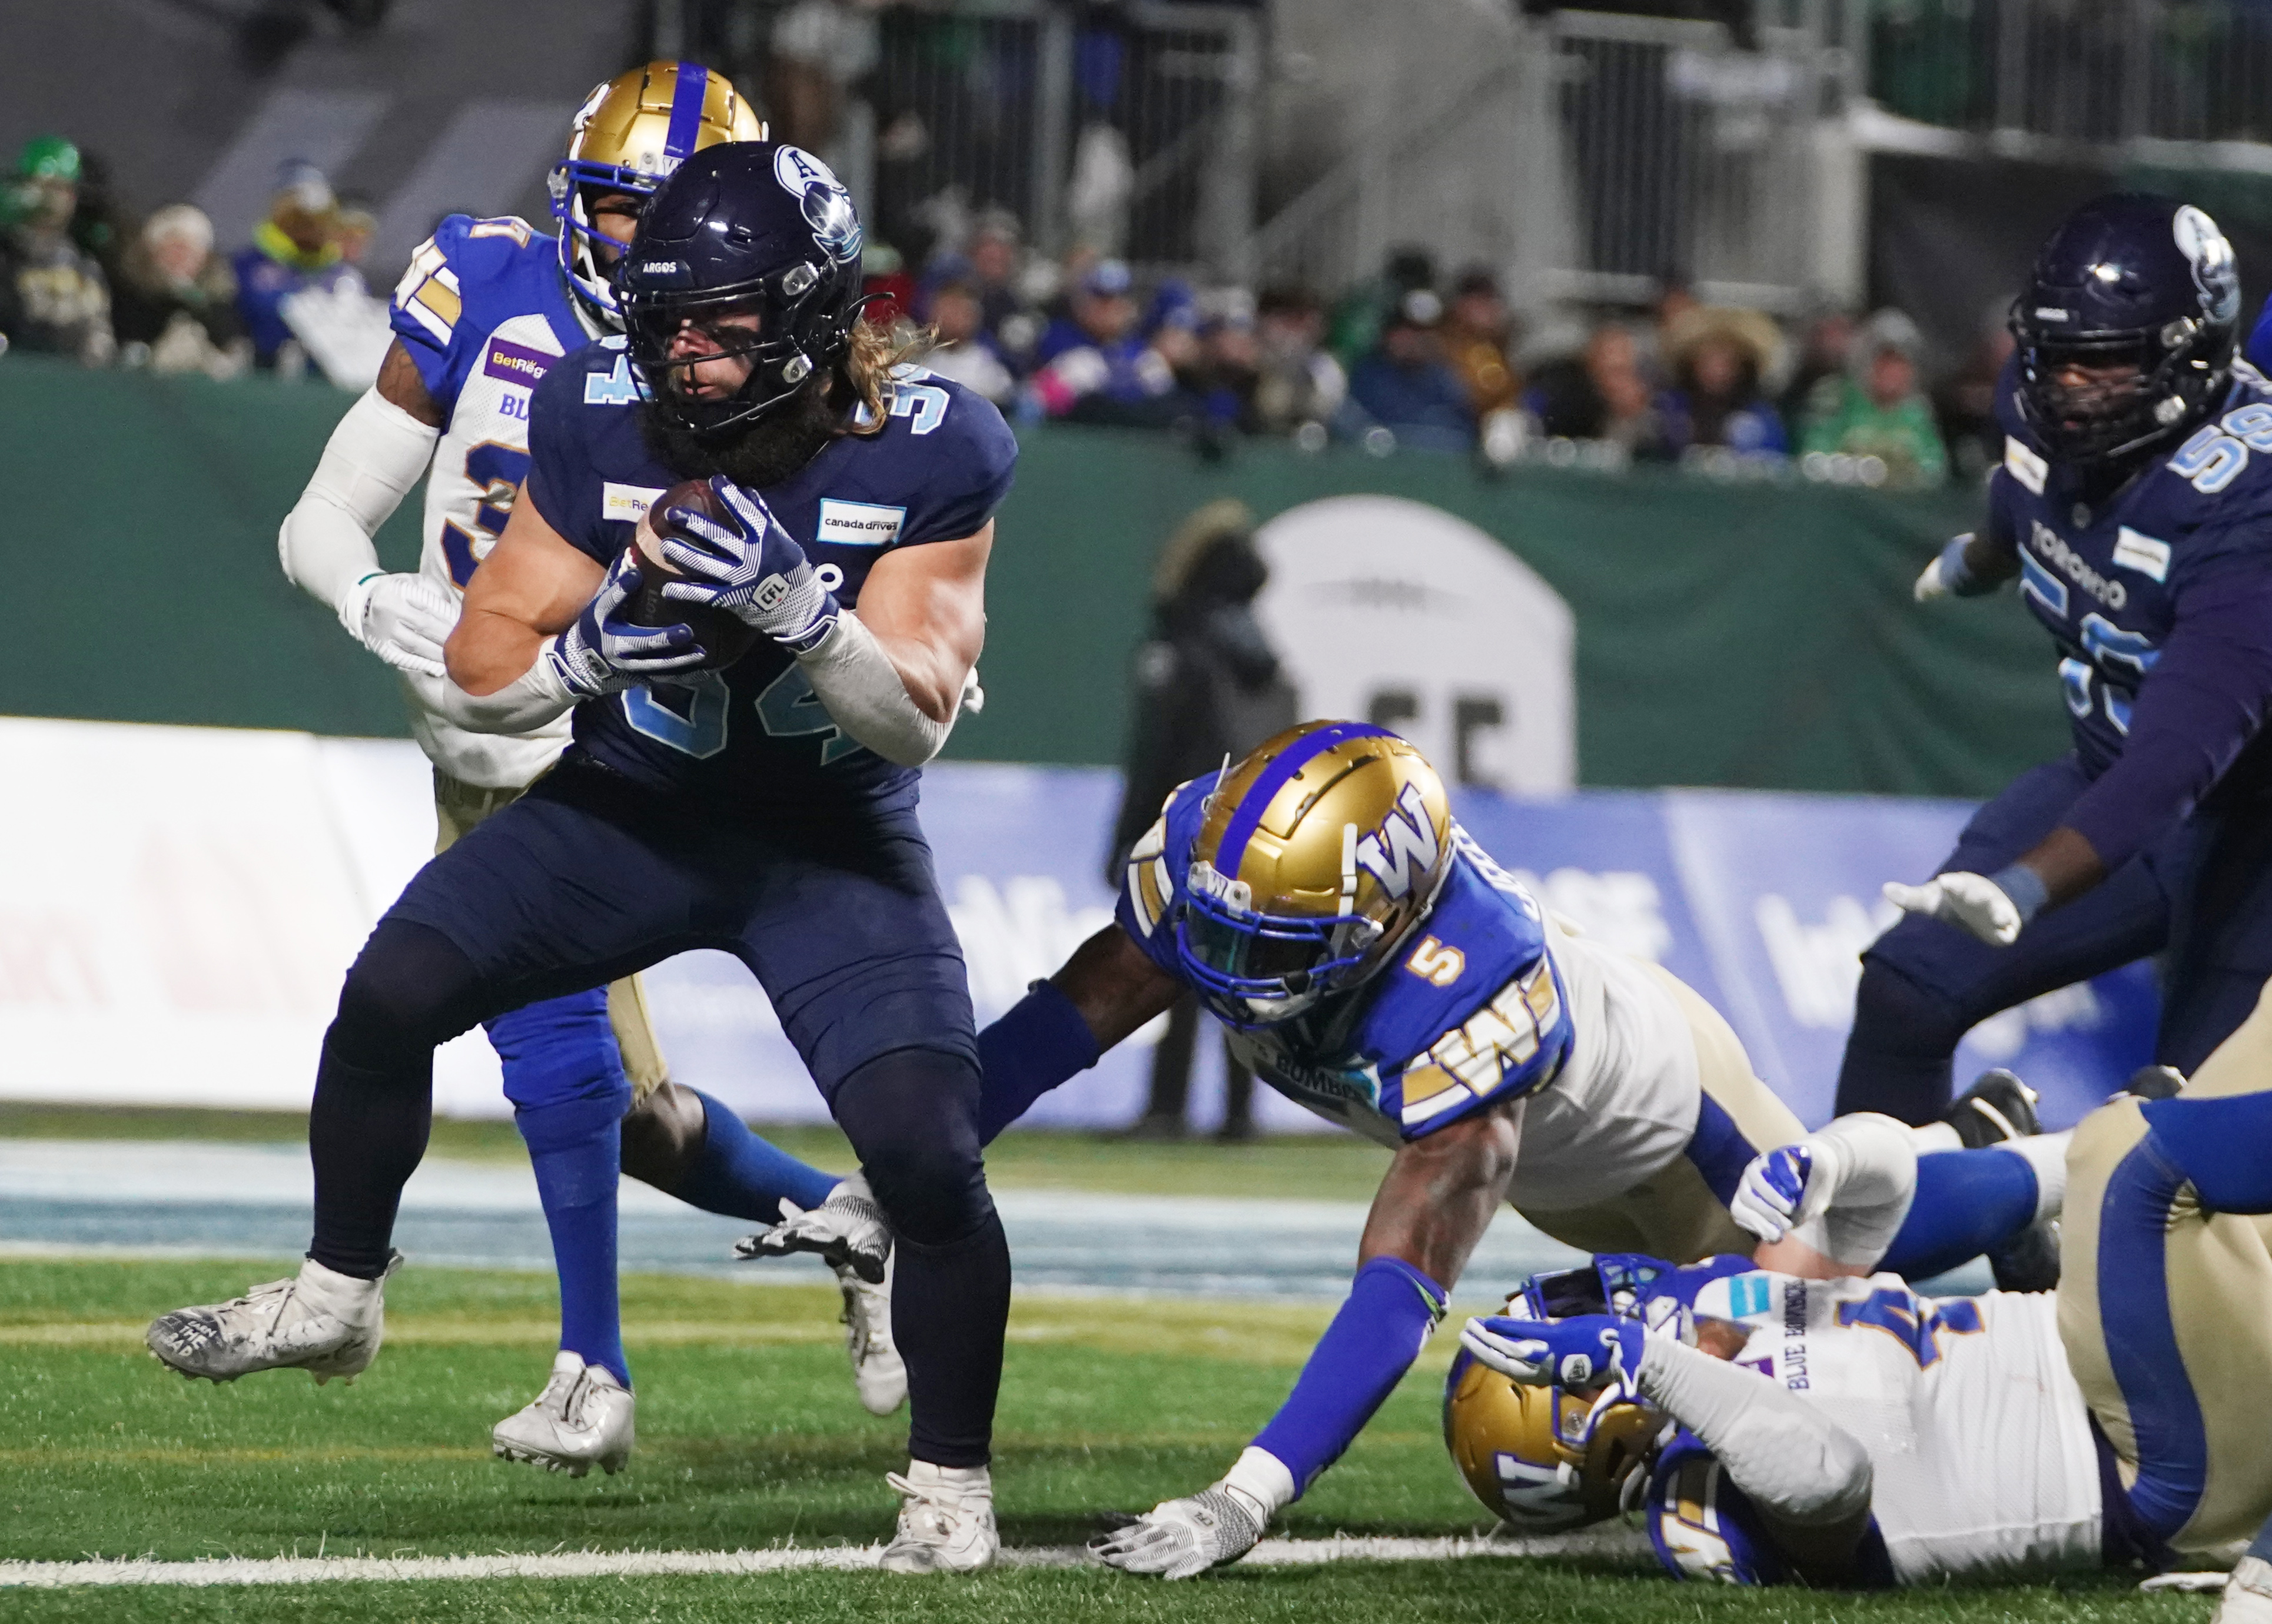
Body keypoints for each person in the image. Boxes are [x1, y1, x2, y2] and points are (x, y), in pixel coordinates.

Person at [152, 137, 1019, 1573]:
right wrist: (587, 653)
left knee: (926, 1159)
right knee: (391, 993)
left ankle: (949, 1486)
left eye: (722, 325)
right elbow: (486, 656)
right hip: (631, 807)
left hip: (826, 842)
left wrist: (805, 612)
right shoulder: (600, 410)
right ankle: (337, 1290)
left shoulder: (935, 441)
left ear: (812, 314)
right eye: (664, 319)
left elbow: (915, 724)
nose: (685, 355)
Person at [970, 722, 2034, 1577]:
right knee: (1767, 1309)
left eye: (1269, 943)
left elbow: (1398, 1282)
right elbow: (1078, 1008)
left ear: (1381, 926)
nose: (1222, 960)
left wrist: (1248, 1491)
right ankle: (1967, 1142)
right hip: (1560, 1168)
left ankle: (2012, 1167)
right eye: (1219, 925)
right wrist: (915, 1160)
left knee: (1808, 1297)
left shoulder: (1473, 1001)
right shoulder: (1231, 867)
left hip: (1679, 1123)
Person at [1452, 1000, 2272, 1604]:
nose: (1600, 1300)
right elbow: (1828, 1476)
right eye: (1576, 1325)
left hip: (2154, 1355)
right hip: (2158, 1462)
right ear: (1591, 1424)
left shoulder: (1726, 1301)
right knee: (2128, 1156)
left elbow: (1884, 1204)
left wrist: (1831, 1158)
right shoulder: (1696, 1505)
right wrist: (1653, 1360)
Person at [1838, 196, 2272, 1127]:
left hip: (2251, 835)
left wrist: (2025, 884)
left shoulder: (2246, 511)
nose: (2068, 385)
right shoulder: (2039, 417)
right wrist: (1983, 555)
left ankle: (2021, 1186)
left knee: (2186, 1139)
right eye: (2055, 355)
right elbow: (2027, 489)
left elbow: (2175, 761)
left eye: (2104, 362)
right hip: (2107, 774)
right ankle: (1862, 1260)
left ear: (2188, 355)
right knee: (1906, 991)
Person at [1105, 502, 1296, 1141]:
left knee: (1175, 971)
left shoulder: (1182, 649)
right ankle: (1241, 1115)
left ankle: (1166, 1108)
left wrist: (1127, 839)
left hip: (1188, 828)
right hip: (1262, 834)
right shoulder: (1268, 659)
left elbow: (1155, 751)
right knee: (1243, 976)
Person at [231, 161, 365, 369]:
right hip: (262, 377)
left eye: (319, 218)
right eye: (298, 217)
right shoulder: (248, 267)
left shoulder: (344, 276)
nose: (310, 228)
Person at [1799, 308, 1948, 487]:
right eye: (1885, 362)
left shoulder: (1917, 414)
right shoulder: (1838, 399)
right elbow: (1814, 458)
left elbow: (1934, 468)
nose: (1892, 373)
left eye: (1900, 363)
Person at [0, 135, 114, 364]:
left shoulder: (86, 262)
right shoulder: (7, 255)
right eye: (46, 187)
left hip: (74, 387)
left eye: (66, 190)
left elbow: (102, 339)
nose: (56, 199)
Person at [111, 204, 248, 377]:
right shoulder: (131, 293)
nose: (183, 258)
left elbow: (233, 345)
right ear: (154, 251)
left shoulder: (216, 302)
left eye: (193, 251)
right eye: (176, 248)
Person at [1347, 290, 1474, 451]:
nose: (1416, 339)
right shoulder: (1367, 375)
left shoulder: (1444, 379)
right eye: (1408, 329)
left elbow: (1461, 430)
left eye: (1425, 331)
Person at [1657, 305, 1786, 461]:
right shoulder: (1669, 411)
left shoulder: (1760, 418)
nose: (1716, 370)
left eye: (1726, 363)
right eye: (1707, 361)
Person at [1523, 322, 1666, 455]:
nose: (1618, 383)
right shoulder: (1568, 405)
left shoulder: (1652, 409)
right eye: (1611, 371)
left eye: (1624, 371)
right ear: (1591, 367)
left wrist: (1636, 415)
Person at [918, 278, 1015, 404]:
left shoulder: (987, 368)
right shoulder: (919, 363)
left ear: (973, 317)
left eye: (958, 312)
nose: (950, 319)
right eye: (945, 310)